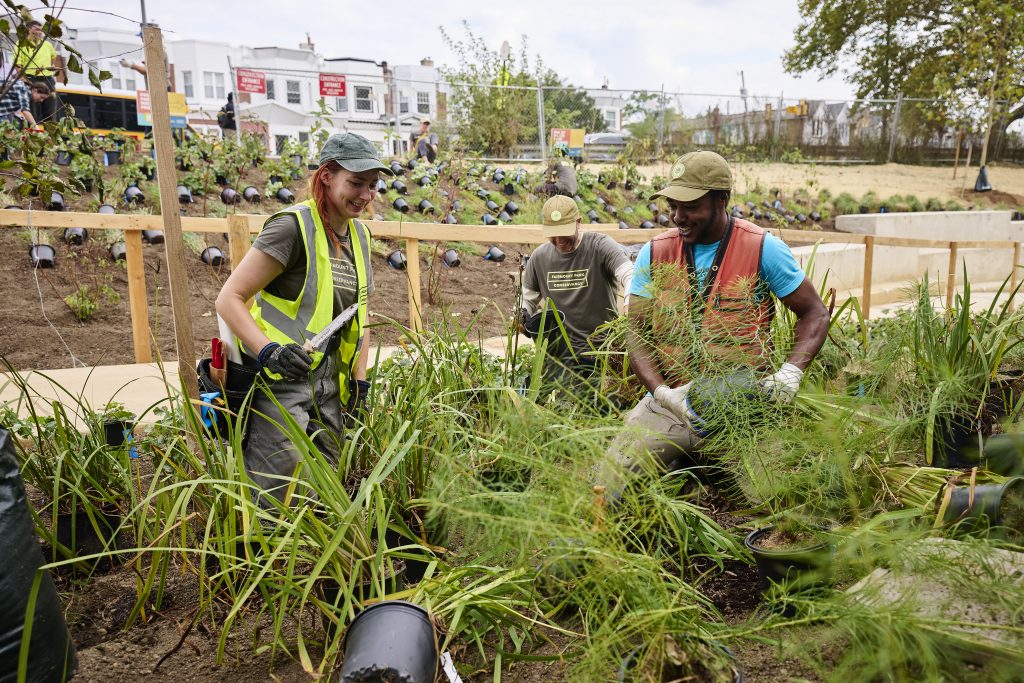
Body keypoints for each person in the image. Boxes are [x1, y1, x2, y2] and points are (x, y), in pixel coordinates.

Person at [605, 150, 828, 484]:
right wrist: (662, 393)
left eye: (690, 206)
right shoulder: (655, 252)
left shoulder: (762, 248)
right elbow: (636, 332)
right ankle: (683, 460)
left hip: (743, 408)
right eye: (673, 206)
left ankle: (700, 466)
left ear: (721, 200)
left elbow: (814, 312)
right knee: (609, 485)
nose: (678, 216)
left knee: (778, 496)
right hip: (670, 405)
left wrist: (790, 373)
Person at [215, 133, 393, 504]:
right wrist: (269, 352)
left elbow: (358, 317)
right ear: (326, 176)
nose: (365, 195)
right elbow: (229, 298)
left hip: (330, 385)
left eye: (373, 185)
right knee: (278, 492)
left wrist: (359, 382)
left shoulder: (360, 237)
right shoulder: (292, 227)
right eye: (356, 183)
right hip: (281, 380)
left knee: (323, 491)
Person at [519, 195, 633, 388]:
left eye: (564, 232)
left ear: (578, 222)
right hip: (559, 357)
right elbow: (527, 300)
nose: (559, 240)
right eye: (553, 234)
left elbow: (630, 274)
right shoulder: (539, 258)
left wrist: (631, 304)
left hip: (602, 354)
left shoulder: (599, 246)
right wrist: (522, 315)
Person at [14, 20, 61, 123]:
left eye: (41, 30)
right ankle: (33, 130)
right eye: (37, 29)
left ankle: (50, 132)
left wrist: (48, 67)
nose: (40, 32)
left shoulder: (47, 44)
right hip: (31, 79)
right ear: (28, 30)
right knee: (32, 110)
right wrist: (24, 79)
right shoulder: (20, 44)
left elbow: (53, 57)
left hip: (47, 79)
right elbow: (18, 65)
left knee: (51, 110)